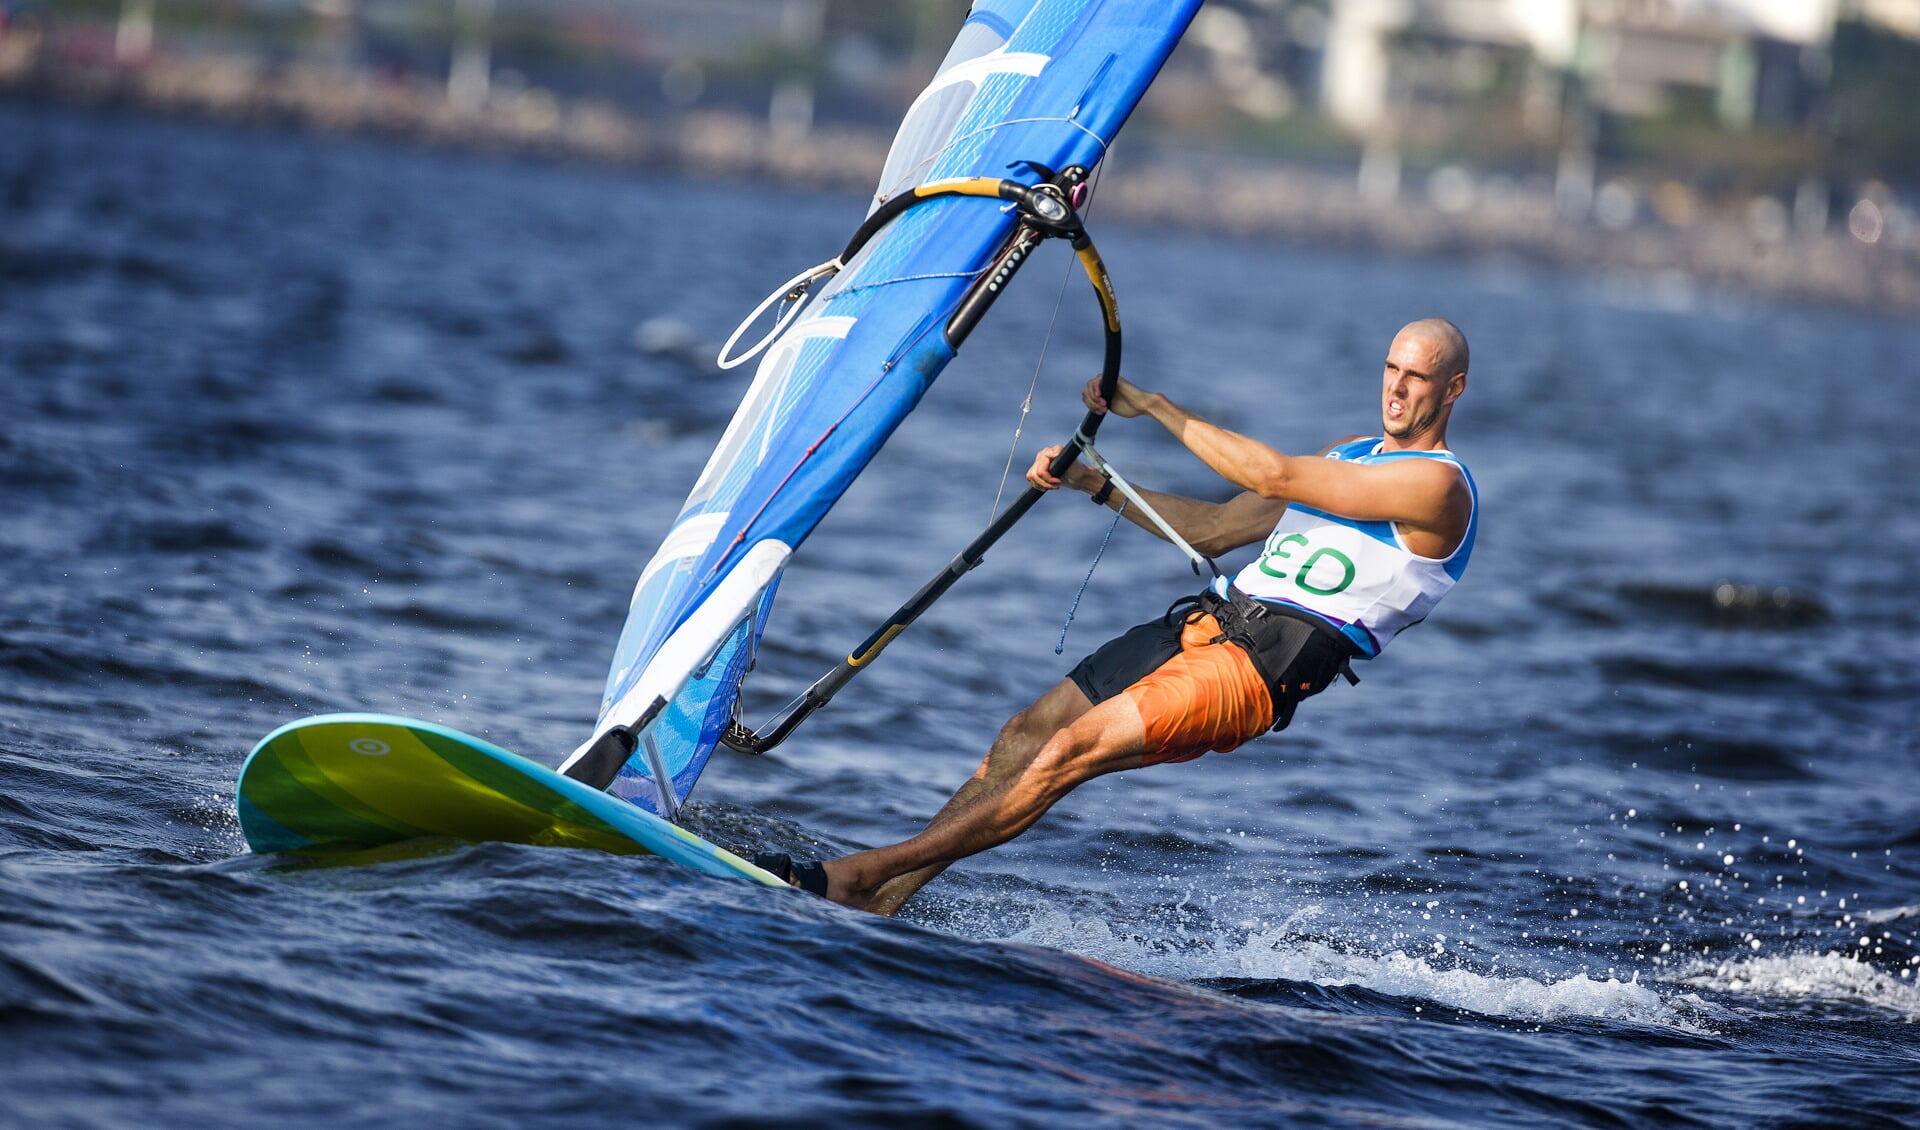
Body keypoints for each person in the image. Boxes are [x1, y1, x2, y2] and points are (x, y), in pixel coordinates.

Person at [759, 318, 1477, 913]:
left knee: (1070, 752)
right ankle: (884, 902)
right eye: (1391, 368)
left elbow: (1270, 475)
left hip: (1265, 666)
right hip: (1207, 621)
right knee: (1026, 734)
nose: (1396, 387)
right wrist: (1097, 484)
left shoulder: (1439, 489)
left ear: (1453, 389)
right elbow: (1217, 529)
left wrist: (1158, 406)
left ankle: (858, 874)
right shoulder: (1348, 455)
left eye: (1416, 377)